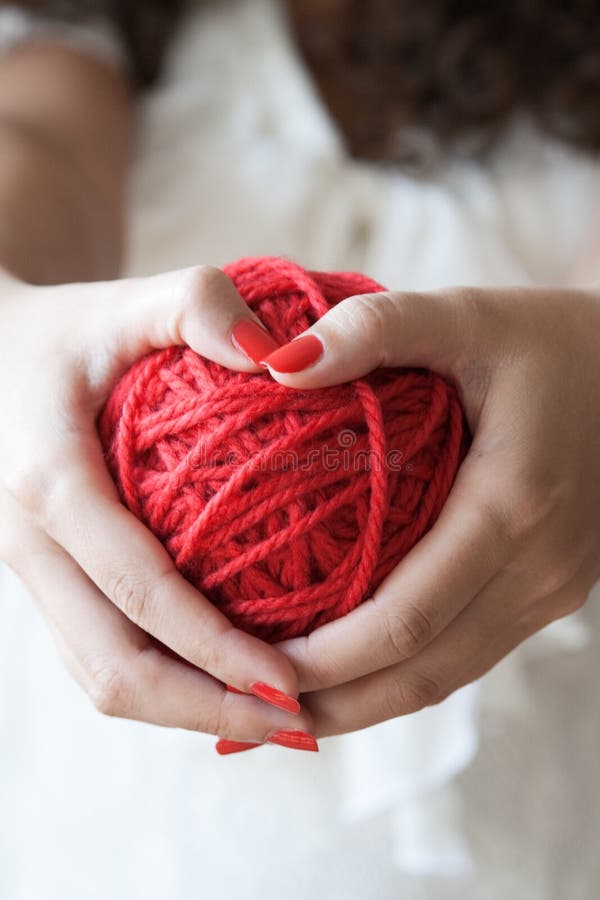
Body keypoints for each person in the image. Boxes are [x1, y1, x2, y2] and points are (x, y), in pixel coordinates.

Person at [0, 0, 599, 759]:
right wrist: (10, 316)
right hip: (107, 720)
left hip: (543, 737)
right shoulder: (81, 28)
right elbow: (39, 143)